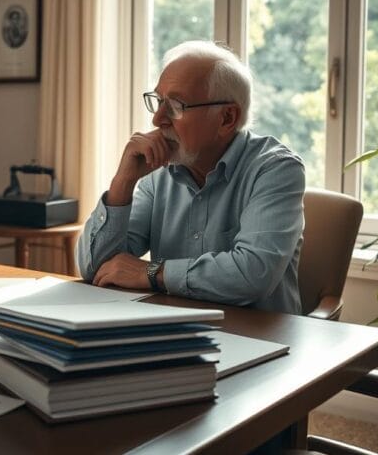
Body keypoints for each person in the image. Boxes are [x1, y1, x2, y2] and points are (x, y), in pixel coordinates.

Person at [76, 41, 306, 314]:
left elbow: (252, 275)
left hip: (261, 339)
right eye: (158, 102)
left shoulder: (276, 169)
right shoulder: (159, 170)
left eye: (174, 105)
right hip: (173, 333)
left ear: (227, 118)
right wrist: (123, 182)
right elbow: (95, 268)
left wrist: (151, 272)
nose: (157, 119)